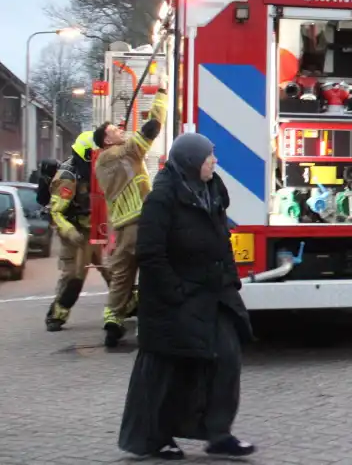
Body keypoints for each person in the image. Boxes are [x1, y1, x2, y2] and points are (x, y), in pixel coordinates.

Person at [118, 133, 255, 459]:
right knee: (169, 368)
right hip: (174, 300)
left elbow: (222, 240)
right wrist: (174, 292)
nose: (215, 161)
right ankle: (154, 437)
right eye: (210, 156)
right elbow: (150, 253)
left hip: (214, 294)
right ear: (193, 161)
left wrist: (231, 281)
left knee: (227, 357)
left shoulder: (212, 192)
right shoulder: (162, 197)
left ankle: (219, 434)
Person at [94, 80, 169, 347]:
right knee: (152, 270)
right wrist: (162, 94)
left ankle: (113, 321)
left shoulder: (104, 162)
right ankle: (154, 321)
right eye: (115, 129)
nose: (120, 130)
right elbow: (152, 128)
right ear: (106, 139)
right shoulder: (119, 153)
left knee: (122, 277)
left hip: (123, 227)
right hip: (140, 223)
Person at [45, 131, 110, 332]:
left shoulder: (97, 170)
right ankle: (57, 314)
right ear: (88, 154)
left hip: (97, 228)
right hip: (76, 232)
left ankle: (128, 306)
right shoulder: (68, 177)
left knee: (115, 271)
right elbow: (56, 212)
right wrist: (69, 232)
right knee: (73, 276)